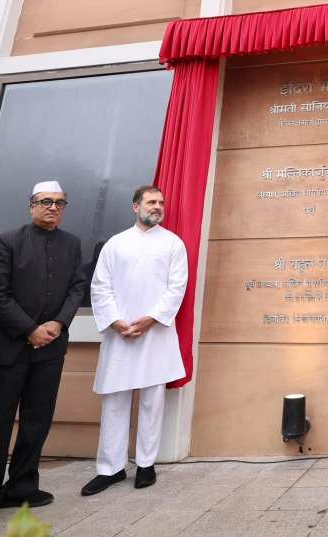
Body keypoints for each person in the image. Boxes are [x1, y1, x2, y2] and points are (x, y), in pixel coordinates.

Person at [0, 181, 85, 529]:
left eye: (60, 203)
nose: (53, 207)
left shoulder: (72, 244)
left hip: (50, 350)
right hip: (7, 350)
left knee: (37, 421)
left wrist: (58, 324)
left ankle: (21, 486)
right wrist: (30, 329)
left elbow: (77, 287)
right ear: (31, 205)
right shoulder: (8, 241)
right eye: (45, 202)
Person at [81, 185, 188, 496]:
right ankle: (110, 468)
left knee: (152, 401)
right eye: (151, 202)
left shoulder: (173, 244)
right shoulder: (116, 244)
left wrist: (151, 319)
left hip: (155, 334)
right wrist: (116, 322)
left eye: (161, 202)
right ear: (135, 207)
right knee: (115, 401)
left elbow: (176, 287)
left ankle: (145, 465)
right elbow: (100, 287)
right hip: (120, 335)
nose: (157, 206)